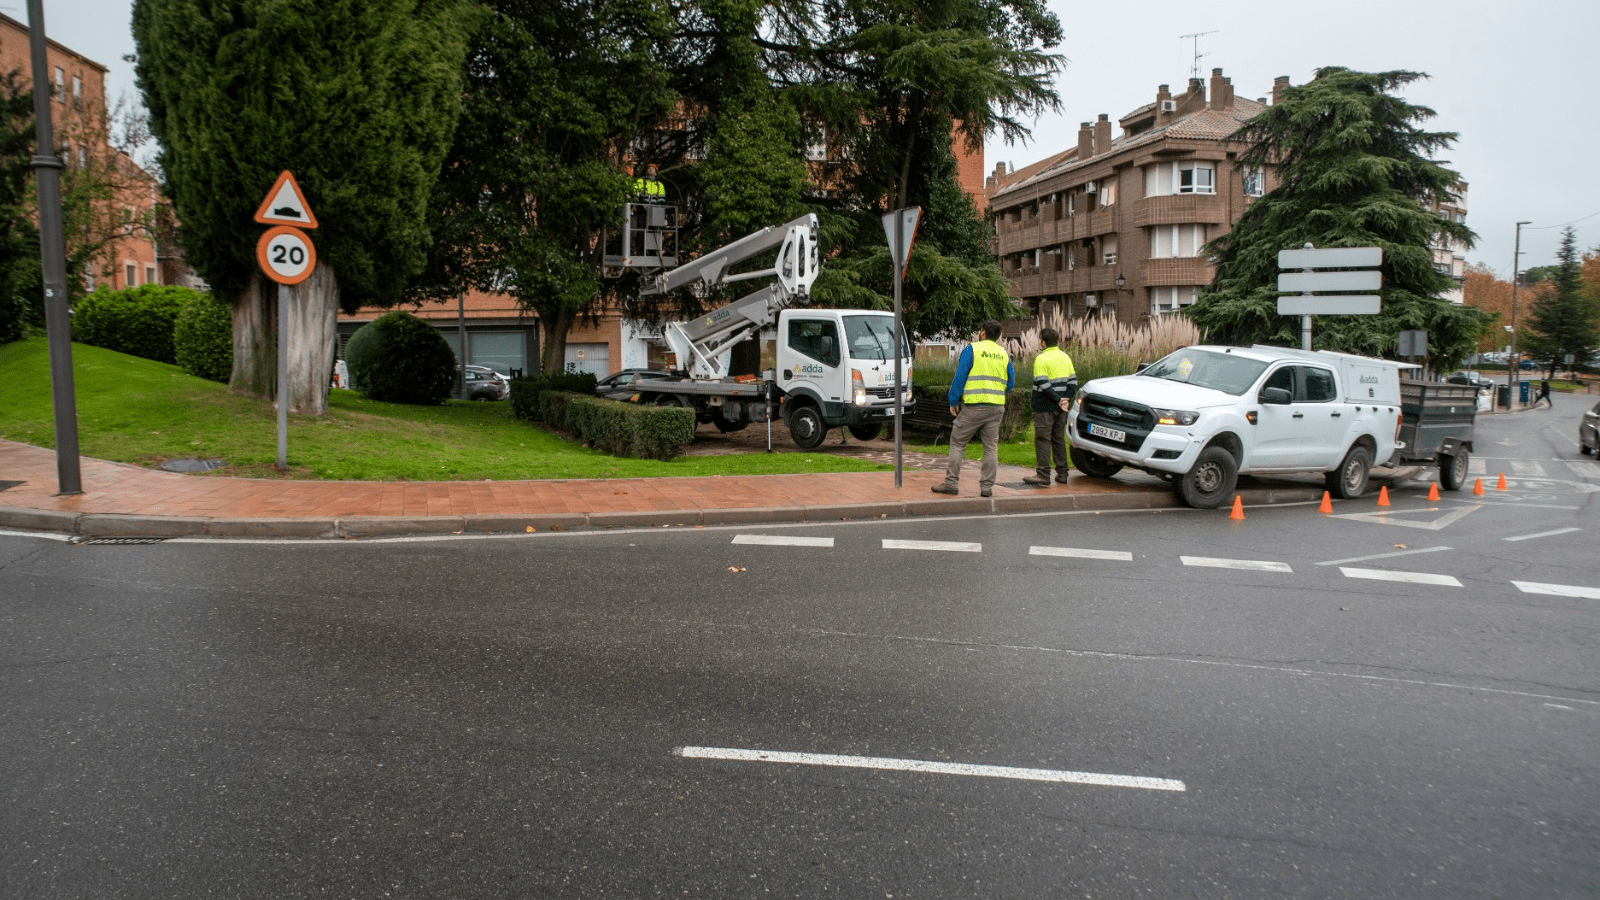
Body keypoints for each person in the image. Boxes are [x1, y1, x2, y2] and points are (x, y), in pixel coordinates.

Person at [932, 320, 1014, 498]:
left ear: (983, 332)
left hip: (973, 407)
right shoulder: (1003, 354)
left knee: (958, 443)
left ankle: (951, 484)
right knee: (991, 447)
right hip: (996, 407)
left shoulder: (972, 350)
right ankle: (986, 488)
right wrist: (997, 392)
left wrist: (953, 400)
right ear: (998, 336)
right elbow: (1011, 382)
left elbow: (960, 376)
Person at [1022, 328, 1077, 486]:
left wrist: (1058, 399)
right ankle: (1062, 474)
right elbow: (1073, 383)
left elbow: (1043, 384)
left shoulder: (1041, 358)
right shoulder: (1065, 357)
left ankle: (1043, 475)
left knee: (1042, 440)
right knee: (1058, 439)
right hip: (1061, 408)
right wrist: (1065, 400)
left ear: (1043, 342)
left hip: (1045, 406)